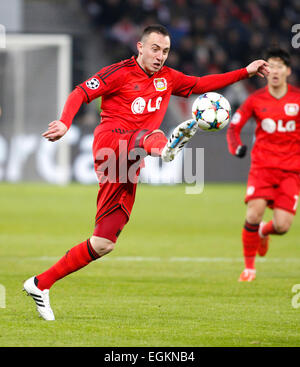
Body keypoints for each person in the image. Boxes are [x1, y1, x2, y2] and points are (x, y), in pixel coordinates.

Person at [23, 24, 269, 320]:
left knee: (104, 242)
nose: (160, 56)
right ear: (139, 47)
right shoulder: (118, 73)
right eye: (154, 49)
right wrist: (64, 122)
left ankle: (40, 284)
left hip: (128, 162)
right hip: (111, 143)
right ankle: (166, 147)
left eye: (165, 51)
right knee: (150, 136)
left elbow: (202, 84)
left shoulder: (168, 78)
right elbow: (80, 92)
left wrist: (246, 71)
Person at [227, 47, 300, 282]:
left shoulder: (297, 99)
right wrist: (235, 147)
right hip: (262, 168)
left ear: (288, 71)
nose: (275, 70)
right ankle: (249, 269)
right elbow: (234, 127)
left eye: (280, 66)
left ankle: (263, 232)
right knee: (253, 213)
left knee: (282, 226)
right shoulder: (255, 100)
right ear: (265, 71)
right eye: (271, 66)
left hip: (291, 171)